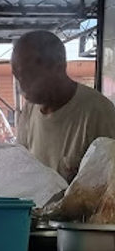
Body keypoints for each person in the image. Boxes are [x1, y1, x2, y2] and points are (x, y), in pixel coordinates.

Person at [13, 30, 115, 182]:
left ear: (58, 67)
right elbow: (21, 170)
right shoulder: (30, 110)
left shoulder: (98, 112)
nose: (22, 87)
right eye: (18, 77)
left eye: (29, 75)